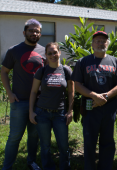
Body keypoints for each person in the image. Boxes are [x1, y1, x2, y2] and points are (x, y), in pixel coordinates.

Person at [71, 31, 117, 170]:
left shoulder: (116, 61)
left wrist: (106, 96)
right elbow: (77, 85)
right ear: (92, 44)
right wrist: (94, 96)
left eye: (103, 41)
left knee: (108, 141)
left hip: (109, 108)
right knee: (89, 141)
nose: (100, 43)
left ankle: (106, 166)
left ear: (107, 44)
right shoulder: (83, 62)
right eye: (97, 41)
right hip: (91, 107)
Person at [1, 19, 45, 170]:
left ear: (40, 34)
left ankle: (31, 162)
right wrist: (9, 93)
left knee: (34, 136)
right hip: (19, 101)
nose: (34, 33)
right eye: (31, 30)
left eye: (37, 31)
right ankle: (7, 166)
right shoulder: (14, 50)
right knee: (14, 137)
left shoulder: (45, 51)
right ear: (24, 32)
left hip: (39, 103)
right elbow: (4, 72)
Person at [29, 42, 74, 170]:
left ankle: (64, 167)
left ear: (59, 53)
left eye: (55, 52)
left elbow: (71, 91)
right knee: (45, 146)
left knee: (64, 146)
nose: (53, 55)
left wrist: (70, 111)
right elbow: (33, 91)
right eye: (50, 53)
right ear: (46, 55)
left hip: (60, 114)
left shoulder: (66, 70)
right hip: (42, 113)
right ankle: (48, 167)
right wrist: (31, 112)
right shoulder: (42, 71)